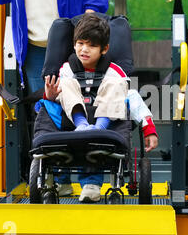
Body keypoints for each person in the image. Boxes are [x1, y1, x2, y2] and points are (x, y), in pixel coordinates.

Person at [43, 13, 158, 202]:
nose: (84, 50)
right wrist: (51, 95)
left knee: (119, 86)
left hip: (104, 123)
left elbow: (132, 99)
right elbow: (59, 97)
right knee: (64, 85)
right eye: (80, 44)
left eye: (91, 45)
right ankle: (81, 129)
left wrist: (149, 129)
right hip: (73, 121)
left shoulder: (114, 71)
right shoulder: (67, 69)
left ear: (104, 49)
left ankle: (97, 133)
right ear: (73, 45)